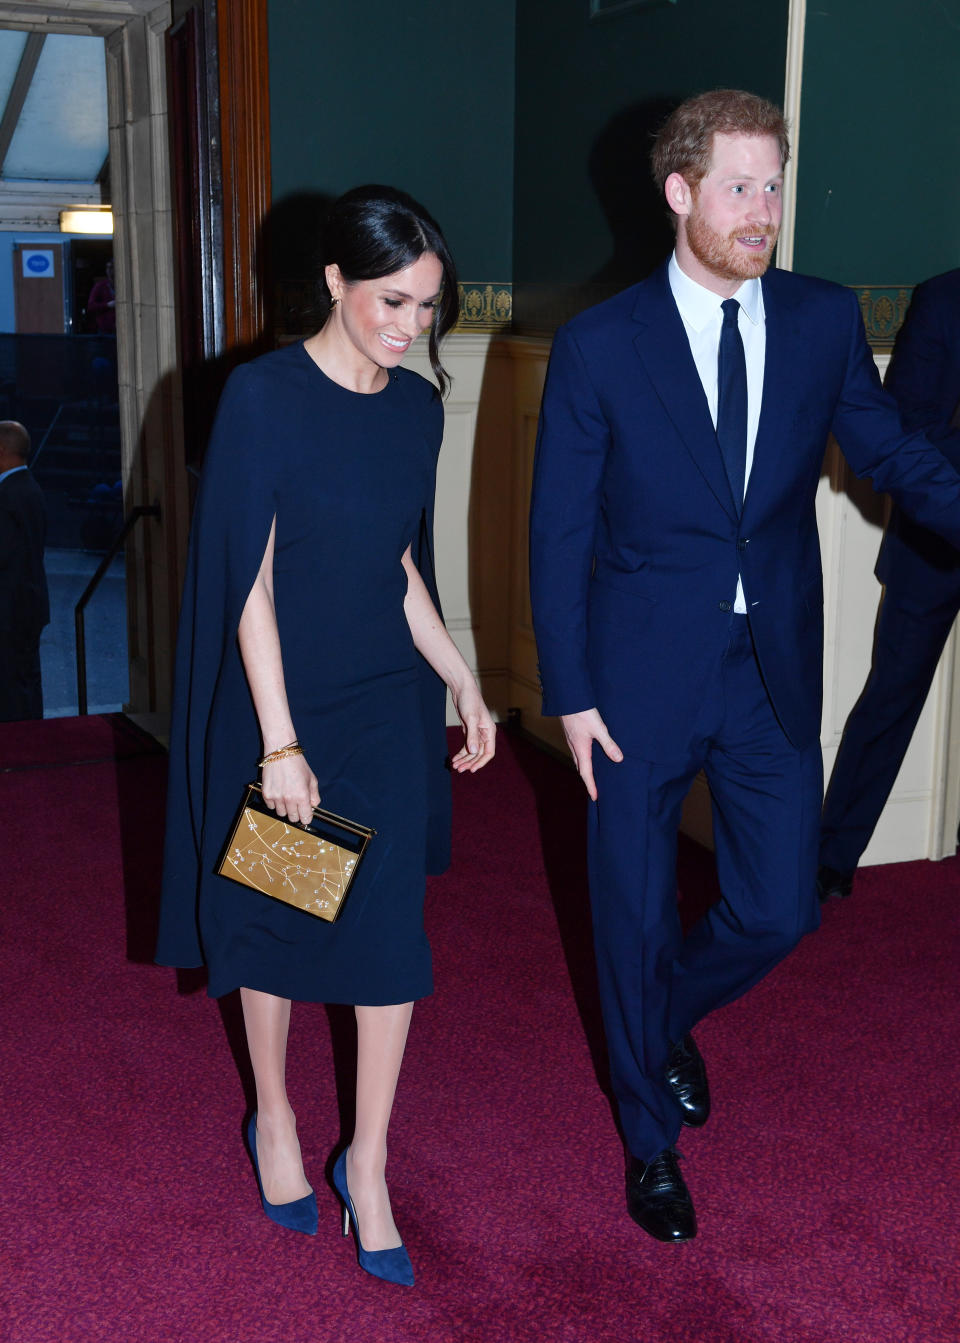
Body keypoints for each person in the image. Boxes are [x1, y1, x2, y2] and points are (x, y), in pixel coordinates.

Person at [528, 90, 960, 1244]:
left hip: (769, 662)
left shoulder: (820, 322)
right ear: (680, 193)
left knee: (780, 911)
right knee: (626, 909)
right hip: (631, 676)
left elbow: (890, 453)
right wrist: (566, 687)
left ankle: (659, 1017)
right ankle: (647, 1142)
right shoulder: (600, 343)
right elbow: (558, 529)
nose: (763, 211)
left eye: (774, 186)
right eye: (739, 187)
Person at [156, 186, 496, 1286]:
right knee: (283, 917)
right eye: (392, 301)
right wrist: (279, 741)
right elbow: (245, 577)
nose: (410, 327)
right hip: (284, 708)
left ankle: (373, 1159)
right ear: (337, 283)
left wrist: (463, 677)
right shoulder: (263, 399)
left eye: (429, 308)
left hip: (384, 707)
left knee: (391, 937)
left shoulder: (413, 409)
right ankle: (275, 1118)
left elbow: (400, 565)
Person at [818, 269, 960, 899]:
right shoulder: (943, 298)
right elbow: (903, 425)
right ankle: (831, 858)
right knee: (891, 697)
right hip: (933, 541)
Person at [0, 420, 49, 721]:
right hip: (28, 604)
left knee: (11, 689)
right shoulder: (30, 488)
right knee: (25, 683)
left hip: (9, 608)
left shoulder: (7, 496)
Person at [86, 259, 116, 335]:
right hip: (105, 332)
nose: (109, 271)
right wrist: (107, 305)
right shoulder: (100, 286)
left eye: (112, 268)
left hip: (121, 329)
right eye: (108, 268)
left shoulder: (123, 286)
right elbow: (91, 306)